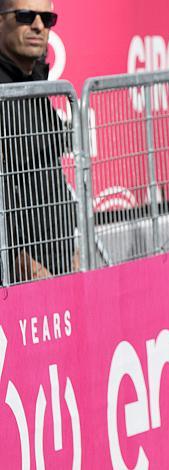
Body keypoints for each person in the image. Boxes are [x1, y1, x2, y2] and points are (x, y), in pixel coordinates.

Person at [0, 0, 76, 283]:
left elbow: (51, 177)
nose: (38, 26)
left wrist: (72, 251)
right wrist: (22, 262)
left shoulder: (37, 84)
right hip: (20, 284)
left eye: (47, 18)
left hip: (59, 267)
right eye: (25, 16)